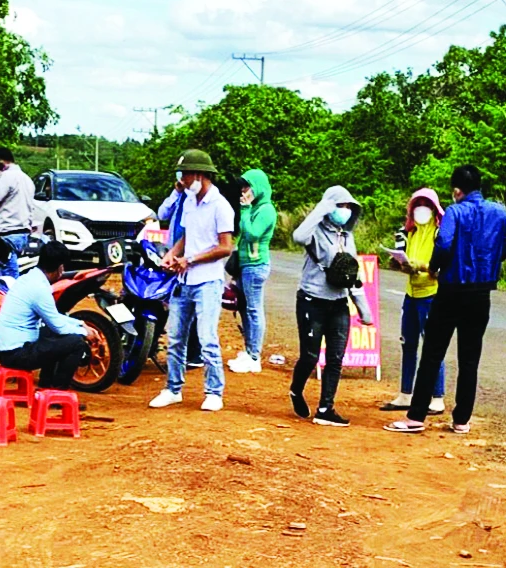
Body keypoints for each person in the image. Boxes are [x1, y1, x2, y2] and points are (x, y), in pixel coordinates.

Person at [385, 165, 506, 435]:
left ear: (457, 191)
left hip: (452, 290)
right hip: (481, 293)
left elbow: (443, 243)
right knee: (469, 358)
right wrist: (488, 263)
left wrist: (434, 268)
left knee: (432, 352)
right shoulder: (499, 211)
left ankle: (416, 417)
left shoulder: (455, 211)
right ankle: (462, 420)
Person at [149, 149, 235, 412]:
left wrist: (191, 259)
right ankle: (173, 388)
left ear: (199, 174)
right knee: (175, 336)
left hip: (207, 281)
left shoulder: (221, 206)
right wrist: (173, 254)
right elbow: (186, 236)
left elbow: (225, 247)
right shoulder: (188, 201)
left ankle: (214, 391)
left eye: (185, 175)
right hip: (183, 279)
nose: (182, 180)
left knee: (206, 336)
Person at [289, 186, 373, 427]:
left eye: (348, 207)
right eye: (340, 206)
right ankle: (296, 390)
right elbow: (298, 237)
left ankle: (325, 408)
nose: (344, 211)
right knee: (310, 355)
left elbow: (351, 274)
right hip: (311, 300)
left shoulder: (348, 237)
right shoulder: (315, 231)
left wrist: (364, 310)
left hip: (338, 303)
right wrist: (321, 208)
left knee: (336, 358)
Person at [380, 189, 446, 414]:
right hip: (411, 293)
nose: (421, 209)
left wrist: (419, 266)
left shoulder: (441, 232)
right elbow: (401, 258)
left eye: (426, 204)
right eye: (417, 204)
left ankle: (437, 397)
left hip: (432, 294)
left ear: (434, 208)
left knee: (433, 346)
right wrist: (400, 263)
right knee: (408, 344)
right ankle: (405, 394)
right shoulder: (409, 232)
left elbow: (442, 263)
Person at [0, 241, 92, 389]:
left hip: (6, 350)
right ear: (59, 268)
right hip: (16, 354)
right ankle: (57, 394)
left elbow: (54, 318)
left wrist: (80, 324)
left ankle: (46, 386)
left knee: (50, 332)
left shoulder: (29, 278)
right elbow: (59, 327)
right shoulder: (39, 289)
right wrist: (84, 332)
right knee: (76, 343)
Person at [227, 169, 277, 374]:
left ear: (258, 187)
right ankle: (249, 350)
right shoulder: (256, 208)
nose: (244, 191)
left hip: (256, 266)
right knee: (246, 308)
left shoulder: (265, 210)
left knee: (254, 310)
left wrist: (245, 209)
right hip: (247, 266)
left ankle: (254, 356)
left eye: (247, 187)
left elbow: (252, 233)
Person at [158, 179, 203, 368]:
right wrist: (175, 192)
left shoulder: (197, 200)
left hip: (188, 257)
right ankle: (183, 353)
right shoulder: (180, 198)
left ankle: (194, 354)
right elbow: (162, 214)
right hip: (174, 253)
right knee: (178, 303)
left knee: (190, 305)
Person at [0, 147, 35, 279]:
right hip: (22, 233)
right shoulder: (27, 179)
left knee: (7, 278)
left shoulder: (6, 177)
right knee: (1, 273)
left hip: (7, 233)